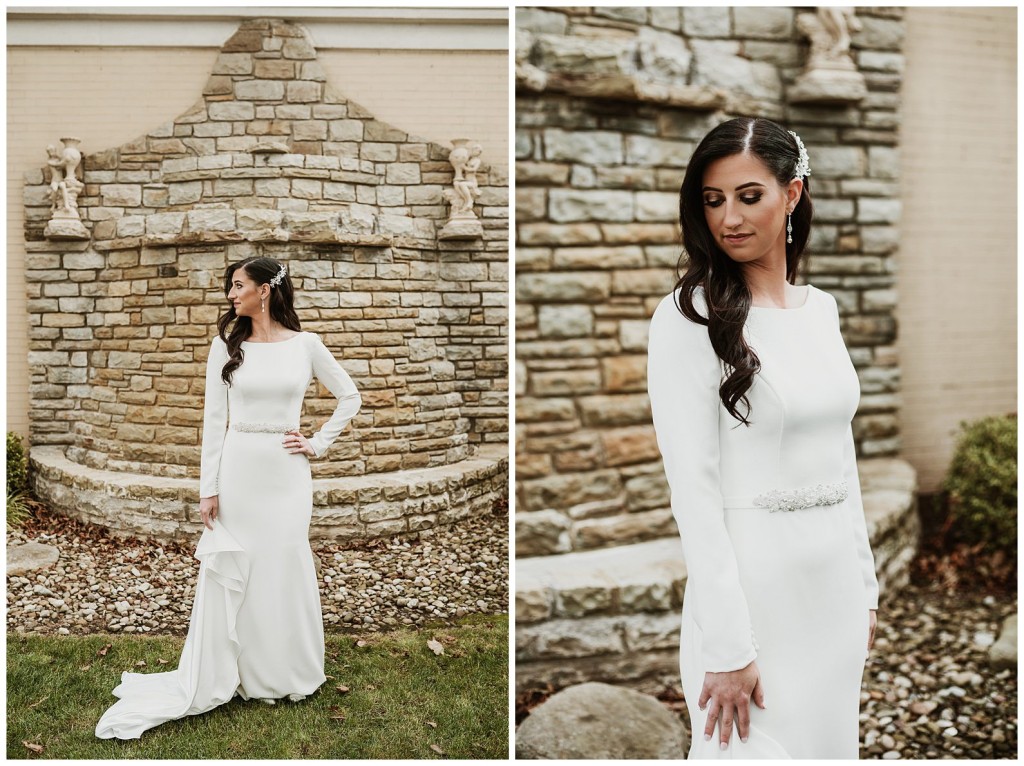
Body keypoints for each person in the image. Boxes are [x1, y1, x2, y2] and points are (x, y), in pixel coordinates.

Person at [646, 117, 879, 759]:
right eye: (713, 200)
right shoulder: (687, 317)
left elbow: (842, 453)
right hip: (754, 592)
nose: (730, 218)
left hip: (831, 586)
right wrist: (727, 644)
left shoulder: (822, 309)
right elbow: (692, 491)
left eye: (749, 196)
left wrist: (865, 588)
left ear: (792, 194)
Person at [96, 256, 362, 739]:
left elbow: (350, 396)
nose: (230, 294)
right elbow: (212, 421)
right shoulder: (226, 346)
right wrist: (208, 489)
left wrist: (317, 442)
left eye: (238, 285)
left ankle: (286, 672)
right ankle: (234, 671)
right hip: (238, 470)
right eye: (229, 286)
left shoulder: (307, 344)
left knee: (283, 562)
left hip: (287, 472)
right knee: (240, 566)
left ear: (265, 290)